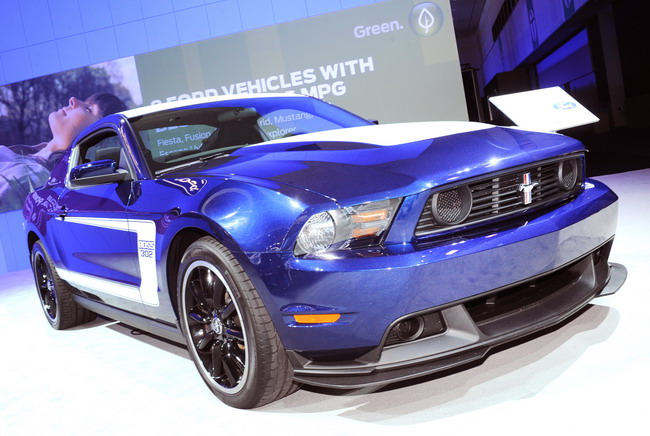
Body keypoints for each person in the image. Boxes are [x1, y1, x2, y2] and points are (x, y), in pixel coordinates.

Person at [0, 93, 127, 212]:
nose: (73, 100)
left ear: (97, 142)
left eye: (88, 109)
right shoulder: (26, 160)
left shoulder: (32, 181)